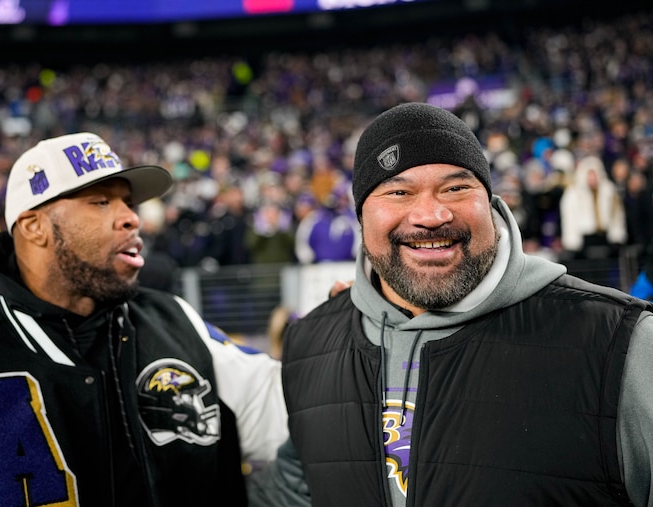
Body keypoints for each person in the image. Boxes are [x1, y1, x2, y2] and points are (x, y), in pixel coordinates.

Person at [250, 103, 653, 506]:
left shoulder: (624, 344)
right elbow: (292, 489)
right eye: (399, 192)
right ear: (360, 217)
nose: (430, 215)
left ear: (492, 204)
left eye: (456, 188)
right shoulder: (309, 343)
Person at [0, 132, 287, 506]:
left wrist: (340, 329)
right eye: (101, 202)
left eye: (129, 202)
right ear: (34, 227)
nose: (131, 218)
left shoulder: (174, 321)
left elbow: (300, 413)